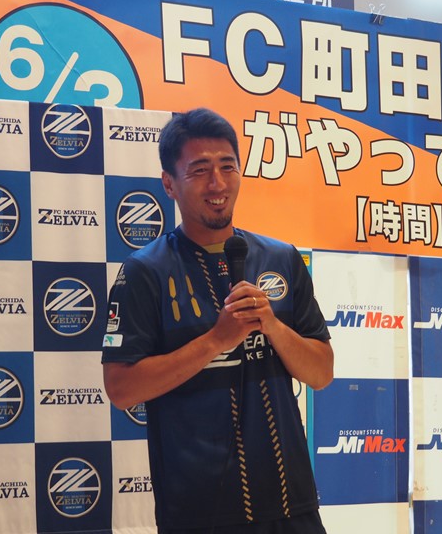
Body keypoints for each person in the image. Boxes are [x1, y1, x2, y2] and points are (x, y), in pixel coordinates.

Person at [102, 108, 333, 534]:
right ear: (169, 184)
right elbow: (121, 388)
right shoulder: (145, 271)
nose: (218, 183)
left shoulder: (281, 259)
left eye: (228, 166)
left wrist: (273, 326)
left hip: (291, 501)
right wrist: (216, 340)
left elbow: (321, 373)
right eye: (200, 170)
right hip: (199, 510)